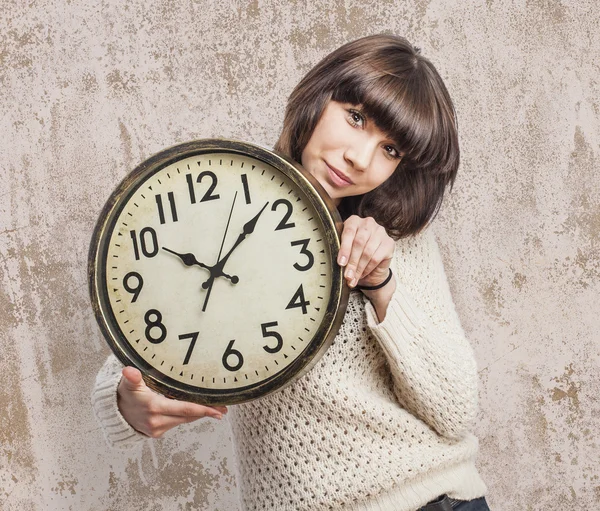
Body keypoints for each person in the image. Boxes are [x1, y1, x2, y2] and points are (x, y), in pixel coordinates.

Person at [92, 34, 490, 511]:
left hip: (429, 499)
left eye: (390, 150)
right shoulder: (222, 184)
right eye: (356, 118)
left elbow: (454, 410)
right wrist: (126, 403)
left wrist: (382, 285)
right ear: (319, 98)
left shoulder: (397, 240)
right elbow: (150, 338)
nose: (359, 159)